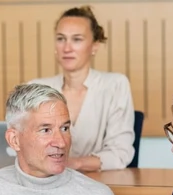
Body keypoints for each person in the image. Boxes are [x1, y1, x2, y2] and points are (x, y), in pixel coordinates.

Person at [29, 6, 135, 171]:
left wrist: (75, 163)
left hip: (98, 183)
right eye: (61, 38)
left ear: (94, 46)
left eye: (76, 39)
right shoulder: (34, 89)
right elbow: (23, 146)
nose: (67, 48)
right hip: (44, 182)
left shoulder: (115, 85)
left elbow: (120, 154)